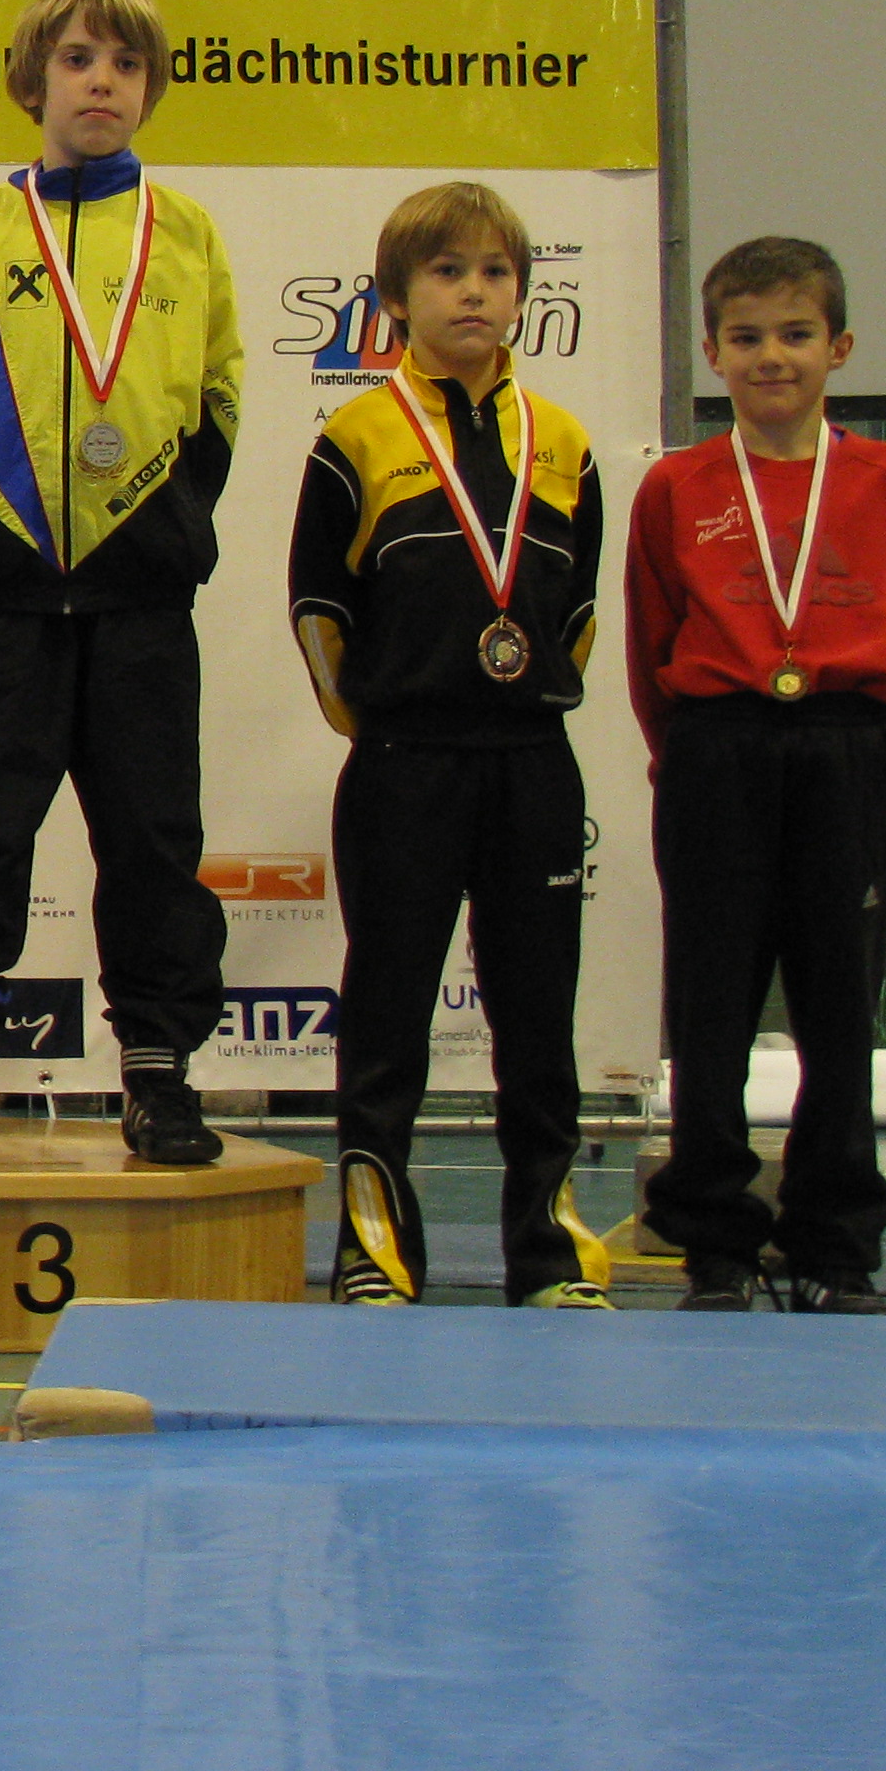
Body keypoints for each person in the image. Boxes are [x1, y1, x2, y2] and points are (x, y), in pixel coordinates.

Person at [0, 0, 241, 1171]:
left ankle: (158, 1072)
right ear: (33, 79)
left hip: (142, 601)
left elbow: (218, 395)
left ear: (152, 86)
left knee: (152, 841)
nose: (102, 82)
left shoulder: (187, 234)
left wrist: (167, 526)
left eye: (126, 64)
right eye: (79, 59)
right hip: (9, 598)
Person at [288, 182, 611, 1307]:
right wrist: (387, 719)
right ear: (395, 298)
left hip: (531, 764)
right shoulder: (356, 436)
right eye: (446, 272)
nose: (473, 292)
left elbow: (578, 614)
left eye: (495, 272)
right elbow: (318, 611)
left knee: (539, 1018)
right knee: (386, 1015)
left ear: (522, 293)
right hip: (403, 764)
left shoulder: (564, 442)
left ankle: (551, 1253)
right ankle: (376, 1252)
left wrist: (515, 700)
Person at [627, 238, 886, 1314]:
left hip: (848, 747)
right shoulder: (677, 485)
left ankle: (834, 1245)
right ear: (712, 352)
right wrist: (694, 750)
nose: (772, 357)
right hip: (719, 748)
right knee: (710, 1004)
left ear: (839, 347)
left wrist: (862, 726)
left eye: (796, 334)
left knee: (841, 1006)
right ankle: (714, 1240)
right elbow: (652, 641)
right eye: (746, 336)